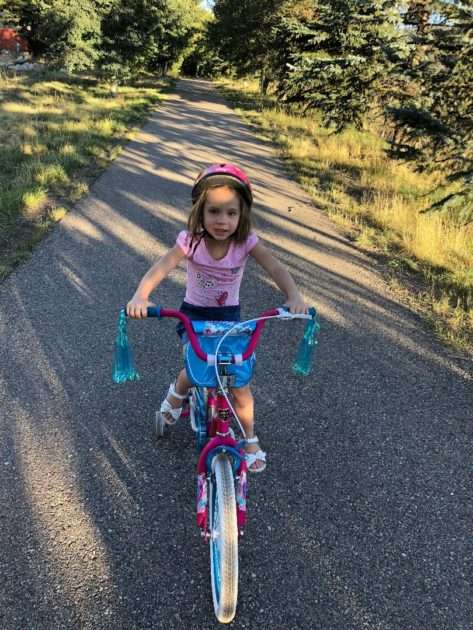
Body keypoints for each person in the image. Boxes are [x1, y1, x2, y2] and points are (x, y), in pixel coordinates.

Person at [126, 163, 307, 472]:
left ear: (242, 215)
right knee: (196, 367)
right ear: (200, 211)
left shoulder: (246, 243)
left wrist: (294, 296)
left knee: (239, 381)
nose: (222, 221)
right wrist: (141, 295)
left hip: (229, 317)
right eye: (214, 212)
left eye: (231, 213)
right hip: (194, 315)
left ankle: (249, 436)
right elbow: (161, 266)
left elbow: (276, 268)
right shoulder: (191, 242)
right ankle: (176, 395)